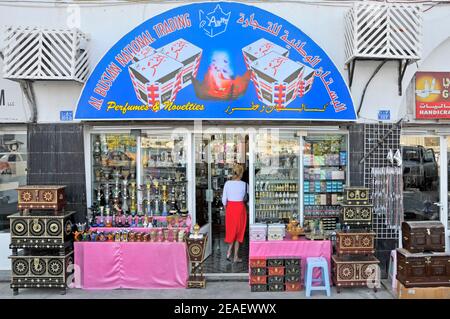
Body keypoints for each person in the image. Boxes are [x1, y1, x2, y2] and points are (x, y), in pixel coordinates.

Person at [222, 164, 248, 263]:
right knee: (239, 232)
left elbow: (224, 199)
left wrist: (226, 209)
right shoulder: (245, 185)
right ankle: (235, 256)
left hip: (230, 209)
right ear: (241, 173)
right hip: (240, 209)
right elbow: (249, 198)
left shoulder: (227, 184)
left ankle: (229, 251)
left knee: (231, 231)